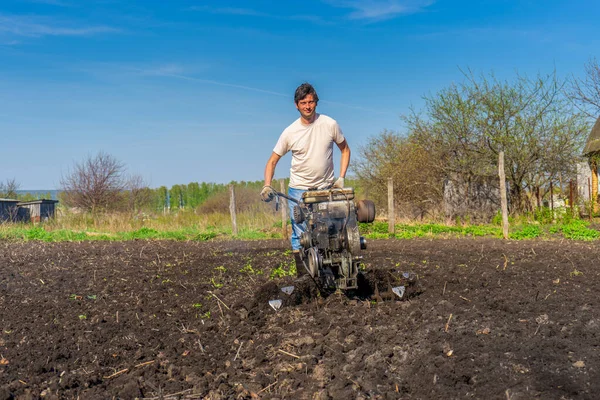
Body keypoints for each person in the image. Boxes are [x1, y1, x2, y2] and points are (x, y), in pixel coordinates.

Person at [261, 82, 351, 277]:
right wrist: (267, 185)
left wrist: (341, 178)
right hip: (299, 190)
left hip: (326, 188)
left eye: (311, 102)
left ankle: (336, 274)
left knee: (334, 230)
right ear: (296, 105)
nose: (308, 106)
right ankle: (305, 279)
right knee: (301, 236)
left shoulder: (329, 124)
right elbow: (272, 161)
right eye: (303, 103)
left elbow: (345, 149)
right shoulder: (290, 132)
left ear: (316, 103)